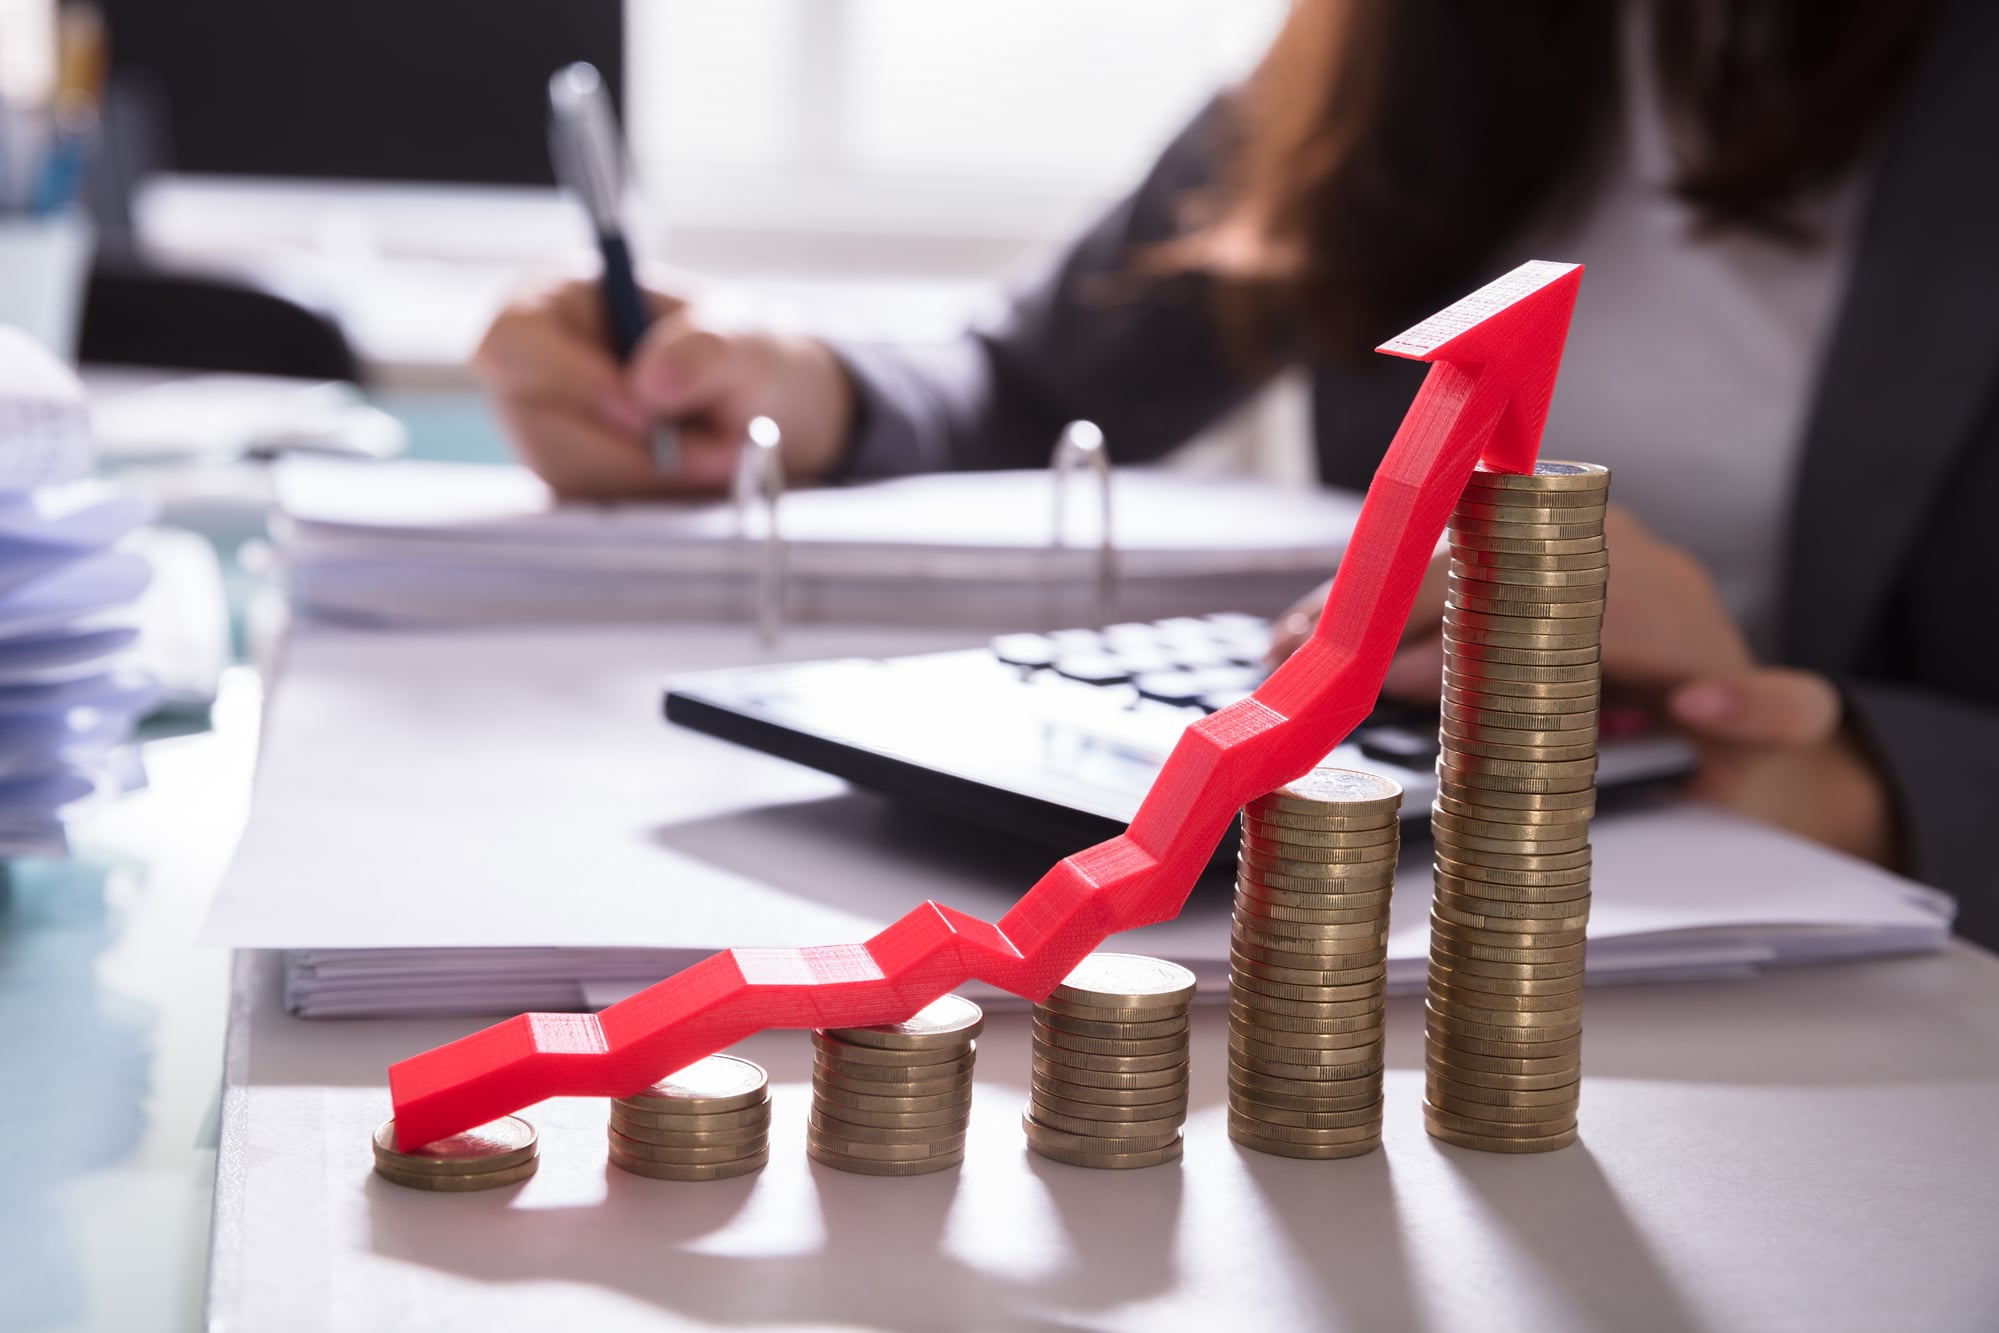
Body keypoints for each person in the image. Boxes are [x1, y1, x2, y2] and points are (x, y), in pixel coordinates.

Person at [473, 0, 1999, 945]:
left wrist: (1865, 779)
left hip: (1809, 921)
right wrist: (798, 392)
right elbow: (1038, 373)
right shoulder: (1412, 39)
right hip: (1419, 879)